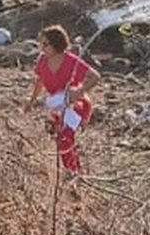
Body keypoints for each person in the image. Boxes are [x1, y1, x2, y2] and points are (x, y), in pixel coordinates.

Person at [24, 25, 102, 184]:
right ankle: (72, 171)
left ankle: (74, 174)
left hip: (76, 104)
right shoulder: (42, 60)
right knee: (61, 138)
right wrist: (31, 102)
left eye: (45, 44)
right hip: (58, 105)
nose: (42, 48)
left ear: (56, 43)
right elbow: (40, 81)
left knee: (65, 136)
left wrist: (79, 90)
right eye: (41, 44)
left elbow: (95, 76)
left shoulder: (71, 61)